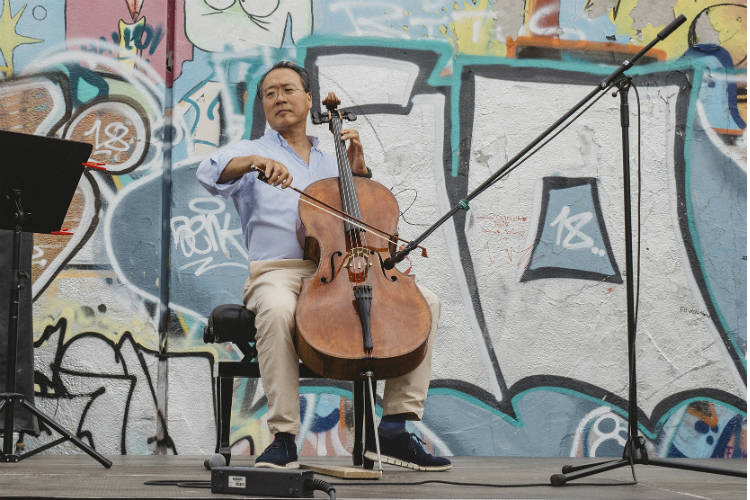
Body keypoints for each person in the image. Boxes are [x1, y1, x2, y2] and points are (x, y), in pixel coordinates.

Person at [197, 61, 450, 471]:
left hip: (341, 269)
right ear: (263, 105)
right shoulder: (251, 151)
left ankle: (397, 427)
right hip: (277, 272)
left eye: (288, 90)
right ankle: (283, 437)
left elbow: (364, 220)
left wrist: (359, 168)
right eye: (270, 93)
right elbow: (207, 173)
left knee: (428, 303)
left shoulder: (333, 155)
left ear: (309, 99)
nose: (278, 98)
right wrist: (253, 164)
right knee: (278, 309)